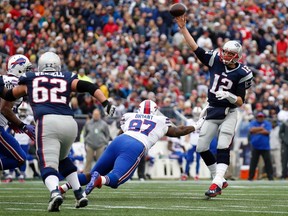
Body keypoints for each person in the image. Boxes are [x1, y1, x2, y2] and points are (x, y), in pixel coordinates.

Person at [4, 51, 116, 212]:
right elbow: (89, 86)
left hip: (47, 121)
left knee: (46, 162)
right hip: (70, 124)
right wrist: (105, 102)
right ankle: (79, 194)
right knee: (63, 159)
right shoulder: (65, 77)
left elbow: (9, 94)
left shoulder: (31, 78)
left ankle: (55, 192)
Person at [175, 16, 253, 197]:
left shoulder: (243, 73)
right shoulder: (215, 60)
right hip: (212, 109)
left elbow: (241, 101)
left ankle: (217, 182)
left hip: (229, 112)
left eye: (228, 53)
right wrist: (183, 29)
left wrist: (230, 95)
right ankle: (218, 178)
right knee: (201, 147)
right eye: (224, 51)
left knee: (223, 145)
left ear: (236, 56)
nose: (224, 55)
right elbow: (196, 48)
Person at [59, 99, 204, 195]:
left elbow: (121, 133)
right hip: (135, 145)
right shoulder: (160, 119)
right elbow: (179, 131)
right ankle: (100, 180)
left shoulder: (130, 116)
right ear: (155, 110)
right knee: (117, 178)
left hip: (118, 142)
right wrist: (196, 126)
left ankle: (63, 187)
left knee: (91, 173)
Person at [0, 54, 35, 177]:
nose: (28, 72)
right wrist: (23, 126)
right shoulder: (13, 82)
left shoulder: (6, 79)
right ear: (18, 68)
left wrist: (11, 122)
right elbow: (4, 108)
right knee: (19, 158)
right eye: (26, 69)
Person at [83, 108, 111, 173]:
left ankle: (100, 175)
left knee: (100, 161)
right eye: (95, 114)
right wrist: (86, 142)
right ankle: (86, 175)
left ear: (100, 115)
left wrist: (105, 142)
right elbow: (85, 133)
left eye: (97, 114)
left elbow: (107, 134)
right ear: (92, 115)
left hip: (100, 145)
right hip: (90, 145)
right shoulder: (88, 123)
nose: (96, 116)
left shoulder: (104, 124)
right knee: (88, 161)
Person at [248, 112, 273, 181]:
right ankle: (250, 178)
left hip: (265, 146)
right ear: (257, 117)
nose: (260, 118)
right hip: (255, 146)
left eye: (261, 117)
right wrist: (261, 128)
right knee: (253, 163)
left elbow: (267, 132)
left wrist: (256, 130)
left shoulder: (267, 123)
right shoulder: (253, 122)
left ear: (263, 117)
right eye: (259, 117)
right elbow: (251, 130)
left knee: (268, 162)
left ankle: (270, 177)